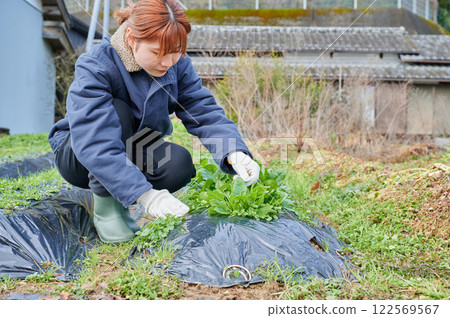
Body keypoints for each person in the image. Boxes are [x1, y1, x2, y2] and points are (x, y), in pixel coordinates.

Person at [48, 0, 260, 243]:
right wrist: (146, 195)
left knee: (178, 164)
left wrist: (234, 151)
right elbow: (94, 139)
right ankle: (107, 209)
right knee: (117, 111)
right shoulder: (96, 65)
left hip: (135, 143)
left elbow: (201, 108)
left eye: (175, 52)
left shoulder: (176, 65)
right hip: (79, 153)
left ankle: (124, 188)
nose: (167, 62)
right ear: (130, 38)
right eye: (157, 53)